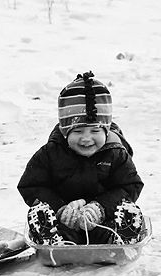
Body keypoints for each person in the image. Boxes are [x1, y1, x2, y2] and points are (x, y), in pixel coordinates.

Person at [17, 71, 144, 246]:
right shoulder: (50, 153)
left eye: (95, 131)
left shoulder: (116, 154)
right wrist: (60, 209)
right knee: (42, 213)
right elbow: (31, 185)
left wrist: (100, 208)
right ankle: (51, 239)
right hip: (65, 224)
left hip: (104, 222)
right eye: (77, 131)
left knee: (125, 211)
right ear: (64, 130)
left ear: (106, 130)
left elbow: (129, 186)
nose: (86, 138)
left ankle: (121, 237)